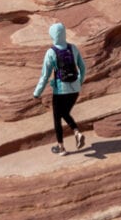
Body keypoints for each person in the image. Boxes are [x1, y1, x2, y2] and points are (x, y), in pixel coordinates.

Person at [33, 22, 87, 155]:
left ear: (52, 35)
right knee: (65, 113)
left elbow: (45, 75)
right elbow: (83, 67)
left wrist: (37, 92)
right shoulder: (73, 48)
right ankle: (76, 132)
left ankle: (61, 147)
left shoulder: (51, 52)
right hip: (74, 89)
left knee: (57, 117)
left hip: (60, 91)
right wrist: (79, 82)